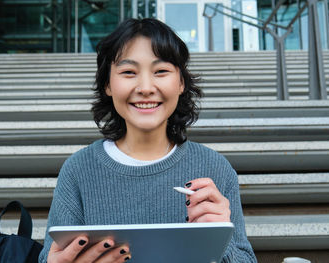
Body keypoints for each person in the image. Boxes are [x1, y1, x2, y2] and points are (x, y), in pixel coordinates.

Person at [39, 18, 257, 263]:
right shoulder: (78, 170)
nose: (145, 87)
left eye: (161, 71)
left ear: (181, 83)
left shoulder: (214, 168)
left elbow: (244, 258)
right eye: (128, 72)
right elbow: (50, 255)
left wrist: (220, 237)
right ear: (108, 84)